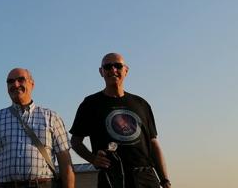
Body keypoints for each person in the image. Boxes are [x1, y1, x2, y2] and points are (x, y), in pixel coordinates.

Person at [69, 53, 171, 188]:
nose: (113, 70)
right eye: (107, 66)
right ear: (101, 72)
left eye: (118, 66)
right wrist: (92, 159)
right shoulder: (90, 104)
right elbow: (75, 142)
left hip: (145, 176)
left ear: (126, 70)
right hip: (112, 177)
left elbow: (153, 143)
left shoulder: (141, 104)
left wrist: (164, 180)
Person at [0, 68, 75, 188]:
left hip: (42, 185)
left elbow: (65, 161)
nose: (15, 84)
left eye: (21, 80)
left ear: (32, 84)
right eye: (10, 81)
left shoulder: (51, 117)